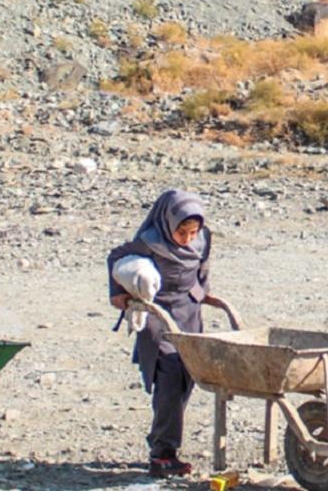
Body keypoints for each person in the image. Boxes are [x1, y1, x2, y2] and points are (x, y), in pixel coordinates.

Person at [107, 189, 234, 479]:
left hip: (188, 312)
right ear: (168, 223)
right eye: (182, 232)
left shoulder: (203, 239)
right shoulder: (150, 243)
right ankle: (163, 454)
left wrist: (203, 292)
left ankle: (162, 440)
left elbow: (203, 267)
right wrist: (120, 295)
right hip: (158, 315)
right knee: (168, 376)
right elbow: (116, 258)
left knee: (189, 375)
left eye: (193, 232)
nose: (188, 238)